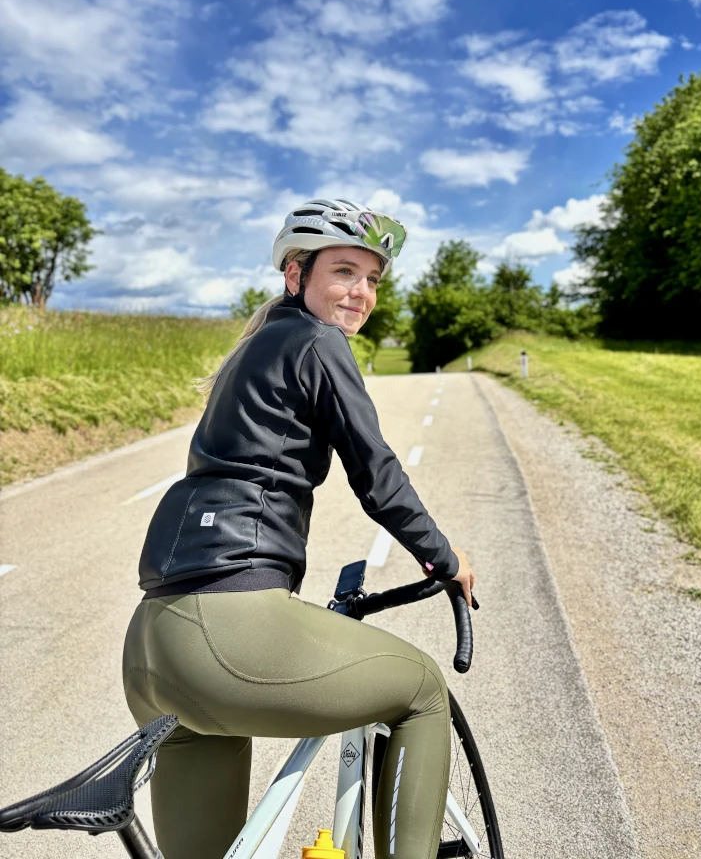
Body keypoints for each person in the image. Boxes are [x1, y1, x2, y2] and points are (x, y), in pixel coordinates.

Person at [122, 197, 476, 859]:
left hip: (153, 651)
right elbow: (377, 474)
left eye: (372, 279)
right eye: (344, 272)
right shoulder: (318, 341)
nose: (361, 292)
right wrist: (444, 559)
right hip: (223, 635)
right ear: (296, 273)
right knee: (423, 690)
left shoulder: (255, 347)